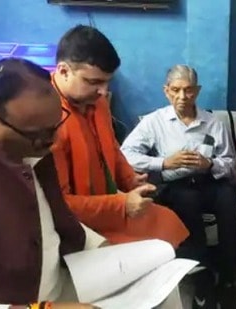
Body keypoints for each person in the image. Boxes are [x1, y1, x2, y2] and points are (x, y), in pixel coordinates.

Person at [0, 58, 104, 308]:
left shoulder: (29, 144)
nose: (54, 141)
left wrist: (99, 247)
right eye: (39, 134)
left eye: (56, 125)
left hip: (63, 277)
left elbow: (47, 215)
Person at [50, 25, 188, 248]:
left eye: (107, 82)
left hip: (110, 203)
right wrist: (122, 204)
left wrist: (129, 179)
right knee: (150, 252)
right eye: (94, 82)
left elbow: (111, 147)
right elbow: (59, 203)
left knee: (169, 222)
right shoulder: (46, 117)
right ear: (64, 71)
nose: (104, 91)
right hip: (75, 224)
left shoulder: (97, 101)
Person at [120, 65, 236, 309]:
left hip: (209, 181)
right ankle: (202, 277)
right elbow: (125, 154)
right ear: (166, 91)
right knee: (186, 201)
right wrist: (163, 162)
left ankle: (229, 280)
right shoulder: (155, 121)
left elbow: (230, 164)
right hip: (175, 184)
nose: (182, 97)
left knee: (230, 199)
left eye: (188, 90)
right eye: (175, 90)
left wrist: (210, 164)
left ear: (197, 91)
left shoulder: (213, 123)